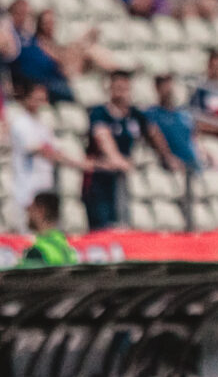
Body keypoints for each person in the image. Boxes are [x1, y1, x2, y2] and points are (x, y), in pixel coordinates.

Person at [83, 70, 180, 230]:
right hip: (99, 180)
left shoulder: (133, 115)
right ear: (110, 89)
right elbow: (103, 137)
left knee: (121, 222)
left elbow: (152, 132)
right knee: (102, 227)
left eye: (125, 89)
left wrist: (166, 156)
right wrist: (117, 159)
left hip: (121, 179)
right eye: (118, 88)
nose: (121, 93)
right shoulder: (100, 113)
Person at [7, 83, 90, 221]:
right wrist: (76, 163)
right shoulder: (20, 123)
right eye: (37, 99)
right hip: (27, 186)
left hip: (45, 184)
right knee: (29, 227)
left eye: (43, 99)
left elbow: (55, 149)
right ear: (27, 98)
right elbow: (41, 150)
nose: (41, 104)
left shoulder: (42, 124)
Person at [22, 193, 78, 267]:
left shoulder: (37, 251)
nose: (27, 210)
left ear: (41, 211)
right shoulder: (67, 247)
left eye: (32, 206)